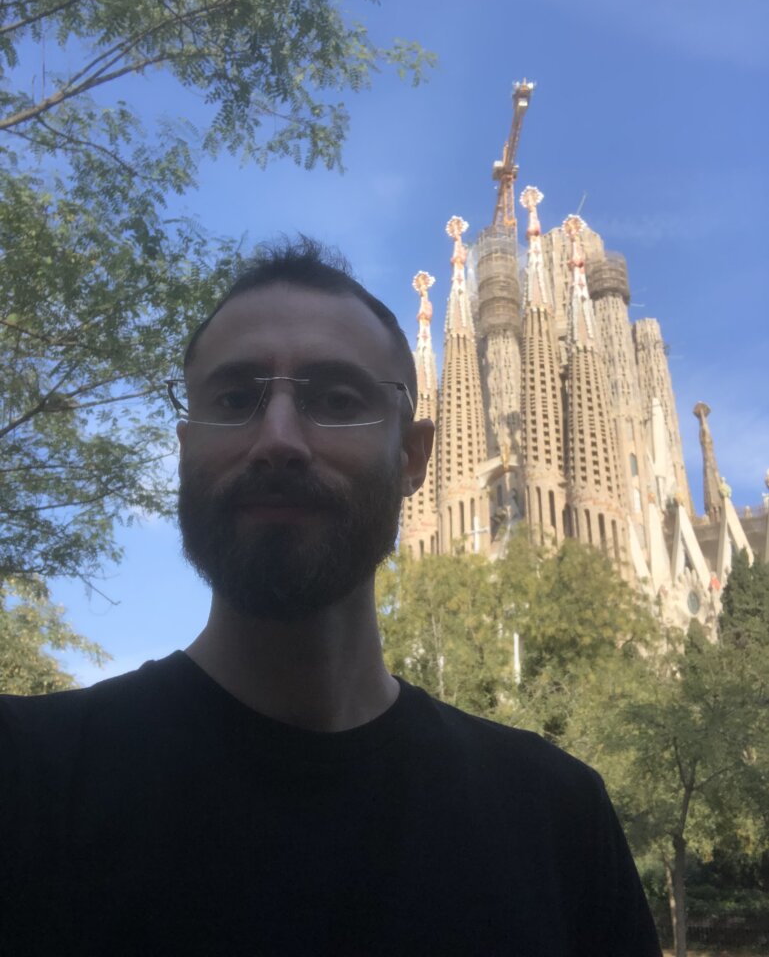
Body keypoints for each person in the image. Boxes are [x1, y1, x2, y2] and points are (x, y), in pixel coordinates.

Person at [0, 240, 662, 956]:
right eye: (233, 398)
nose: (278, 439)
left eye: (336, 400)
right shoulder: (25, 780)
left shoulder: (557, 817)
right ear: (186, 448)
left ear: (412, 457)